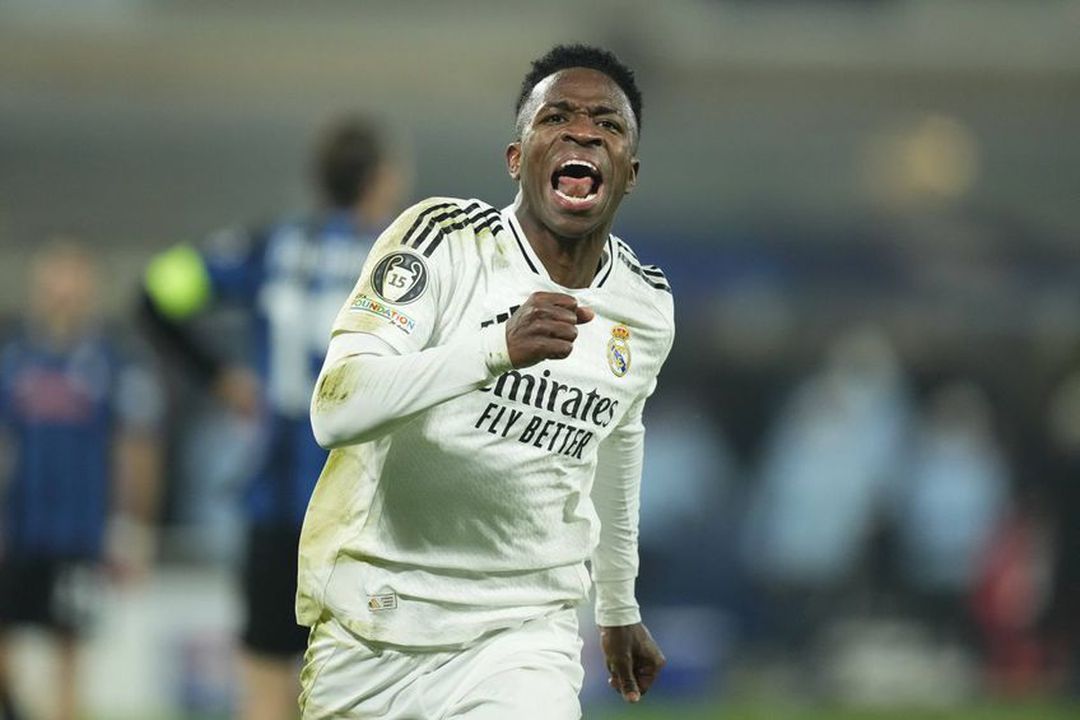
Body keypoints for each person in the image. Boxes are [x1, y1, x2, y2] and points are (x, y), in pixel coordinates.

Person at [298, 44, 673, 719]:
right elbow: (335, 408)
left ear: (631, 173)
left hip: (522, 634)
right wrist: (495, 349)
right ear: (517, 158)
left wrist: (617, 603)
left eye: (607, 124)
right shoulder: (442, 241)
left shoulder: (644, 306)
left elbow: (618, 440)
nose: (583, 132)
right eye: (557, 117)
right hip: (374, 627)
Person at [139, 114, 405, 720]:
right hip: (364, 509)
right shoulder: (398, 261)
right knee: (362, 686)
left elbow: (156, 289)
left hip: (275, 501)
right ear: (380, 181)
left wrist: (217, 375)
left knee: (265, 676)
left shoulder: (271, 247)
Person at [0, 240, 162, 720]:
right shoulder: (14, 359)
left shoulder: (115, 361)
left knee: (69, 651)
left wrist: (132, 526)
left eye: (72, 278)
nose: (62, 290)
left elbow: (137, 448)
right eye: (53, 278)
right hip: (18, 527)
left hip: (79, 532)